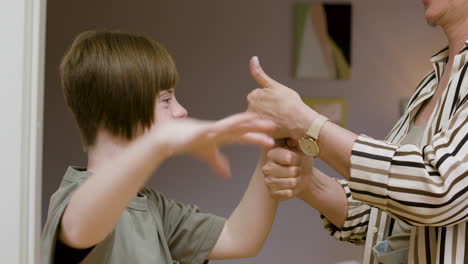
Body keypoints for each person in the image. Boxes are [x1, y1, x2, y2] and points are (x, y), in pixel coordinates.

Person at [247, 1, 468, 263]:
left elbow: (440, 190)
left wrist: (307, 124)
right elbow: (381, 219)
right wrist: (308, 181)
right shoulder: (430, 84)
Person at [41, 31, 279, 264]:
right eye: (166, 100)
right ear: (116, 109)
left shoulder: (150, 205)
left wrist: (273, 141)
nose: (181, 111)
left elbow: (239, 238)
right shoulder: (75, 201)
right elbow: (77, 226)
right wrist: (158, 142)